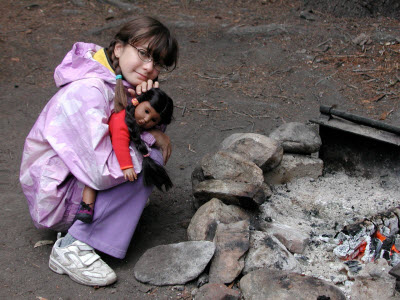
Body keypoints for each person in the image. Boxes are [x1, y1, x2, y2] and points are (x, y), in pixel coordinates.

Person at [19, 16, 178, 286]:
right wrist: (151, 138)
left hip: (75, 179)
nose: (150, 68)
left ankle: (113, 214)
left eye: (158, 62)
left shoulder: (119, 82)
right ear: (118, 48)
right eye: (143, 54)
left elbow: (128, 130)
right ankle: (72, 246)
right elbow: (100, 170)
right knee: (144, 165)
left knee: (147, 161)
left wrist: (147, 108)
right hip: (55, 197)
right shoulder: (88, 91)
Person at [75, 88, 174, 223]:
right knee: (94, 178)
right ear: (138, 102)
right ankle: (87, 206)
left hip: (114, 149)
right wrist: (126, 165)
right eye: (146, 111)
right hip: (106, 149)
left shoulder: (134, 120)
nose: (146, 119)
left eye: (153, 120)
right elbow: (119, 141)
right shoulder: (121, 119)